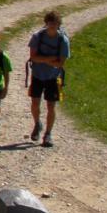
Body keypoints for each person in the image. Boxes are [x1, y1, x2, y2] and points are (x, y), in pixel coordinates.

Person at [27, 10, 70, 147]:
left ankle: (48, 134)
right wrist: (49, 59)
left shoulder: (63, 40)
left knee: (51, 105)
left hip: (54, 77)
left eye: (54, 23)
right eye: (49, 23)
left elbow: (60, 63)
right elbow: (33, 57)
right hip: (37, 75)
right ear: (45, 23)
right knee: (35, 103)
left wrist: (43, 59)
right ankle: (37, 124)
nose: (51, 26)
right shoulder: (37, 37)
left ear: (58, 24)